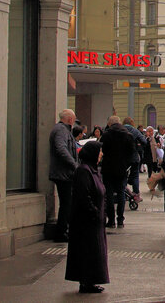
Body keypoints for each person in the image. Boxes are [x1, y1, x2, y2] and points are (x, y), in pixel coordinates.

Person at [65, 141, 108, 294]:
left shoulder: (94, 171)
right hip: (86, 220)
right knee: (87, 251)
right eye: (100, 151)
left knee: (95, 251)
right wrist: (94, 211)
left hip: (95, 219)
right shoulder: (83, 171)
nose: (101, 154)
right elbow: (83, 195)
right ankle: (86, 281)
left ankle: (91, 280)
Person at [100, 115, 136, 228]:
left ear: (109, 124)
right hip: (122, 168)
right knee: (121, 193)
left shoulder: (106, 135)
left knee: (109, 194)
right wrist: (127, 165)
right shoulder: (127, 135)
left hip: (108, 168)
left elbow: (102, 150)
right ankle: (120, 219)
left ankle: (111, 220)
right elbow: (132, 152)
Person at [48, 108, 78, 242]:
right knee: (66, 203)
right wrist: (74, 164)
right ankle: (61, 232)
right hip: (63, 173)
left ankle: (63, 230)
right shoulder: (61, 130)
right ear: (70, 119)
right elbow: (61, 148)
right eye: (74, 119)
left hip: (63, 173)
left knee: (67, 202)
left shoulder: (62, 130)